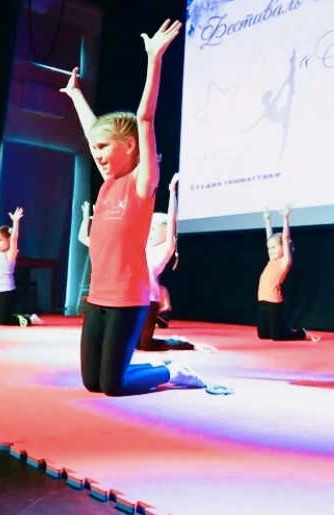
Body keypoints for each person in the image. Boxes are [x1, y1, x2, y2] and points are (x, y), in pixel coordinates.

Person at [62, 20, 217, 396]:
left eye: (104, 148)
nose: (97, 155)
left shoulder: (141, 183)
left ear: (129, 146)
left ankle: (171, 370)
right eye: (95, 149)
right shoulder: (107, 184)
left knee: (113, 386)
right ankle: (151, 368)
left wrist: (154, 60)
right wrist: (76, 95)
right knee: (93, 383)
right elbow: (92, 132)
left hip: (128, 300)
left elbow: (144, 118)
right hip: (98, 299)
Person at [78, 175, 206, 352]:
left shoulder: (164, 249)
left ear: (164, 231)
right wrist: (90, 216)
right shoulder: (138, 246)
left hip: (150, 302)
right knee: (129, 345)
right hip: (131, 300)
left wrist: (172, 193)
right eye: (149, 228)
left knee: (145, 345)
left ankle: (179, 343)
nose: (150, 232)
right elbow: (88, 238)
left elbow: (172, 222)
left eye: (155, 229)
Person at [0, 207, 43, 327]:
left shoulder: (10, 254)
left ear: (8, 240)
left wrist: (15, 222)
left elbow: (14, 239)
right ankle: (25, 317)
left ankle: (30, 319)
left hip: (7, 291)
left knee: (5, 320)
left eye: (0, 240)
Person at [257, 205, 318, 341]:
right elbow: (269, 237)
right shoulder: (272, 260)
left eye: (274, 248)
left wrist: (285, 218)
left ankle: (300, 333)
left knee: (277, 337)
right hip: (262, 301)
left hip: (274, 302)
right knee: (263, 335)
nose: (270, 251)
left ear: (283, 248)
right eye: (269, 248)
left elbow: (285, 238)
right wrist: (267, 220)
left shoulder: (284, 261)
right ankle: (284, 329)